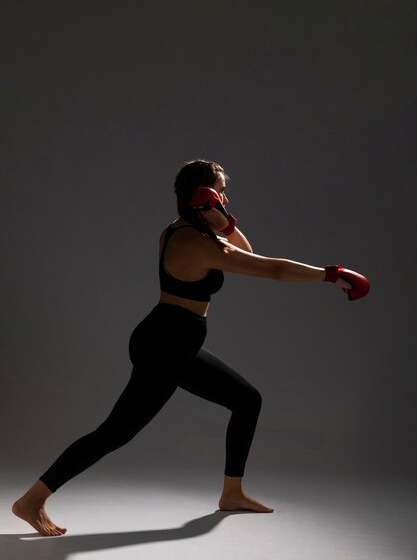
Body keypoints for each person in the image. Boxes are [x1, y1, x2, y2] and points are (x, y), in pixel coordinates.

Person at [12, 159, 368, 536]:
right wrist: (331, 275)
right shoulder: (192, 242)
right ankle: (32, 500)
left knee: (247, 400)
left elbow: (243, 249)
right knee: (115, 433)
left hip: (173, 340)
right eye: (221, 190)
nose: (227, 197)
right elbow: (270, 268)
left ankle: (232, 493)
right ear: (206, 196)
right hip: (166, 345)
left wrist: (225, 222)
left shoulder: (180, 231)